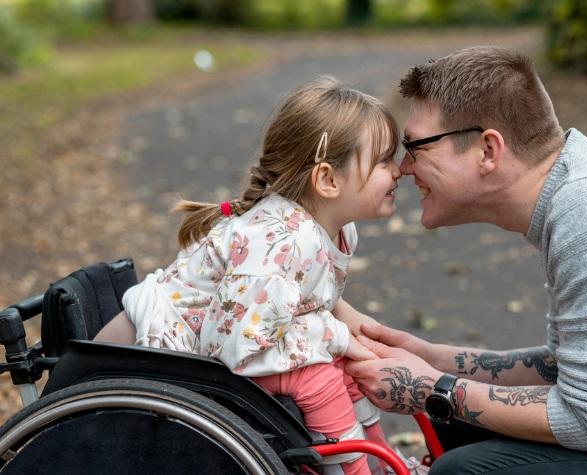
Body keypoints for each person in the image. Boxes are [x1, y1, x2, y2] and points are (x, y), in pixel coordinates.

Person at [345, 45, 587, 474]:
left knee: (461, 469)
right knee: (459, 424)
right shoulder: (579, 190)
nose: (403, 168)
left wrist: (431, 388)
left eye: (416, 146)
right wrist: (434, 357)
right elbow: (567, 368)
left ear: (488, 150)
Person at [95, 76, 402, 475]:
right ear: (327, 180)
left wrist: (350, 321)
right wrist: (337, 336)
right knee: (317, 377)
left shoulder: (333, 231)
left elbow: (303, 291)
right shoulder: (282, 243)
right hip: (154, 357)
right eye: (383, 161)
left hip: (225, 339)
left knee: (343, 367)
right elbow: (237, 345)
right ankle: (352, 469)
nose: (400, 170)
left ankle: (379, 462)